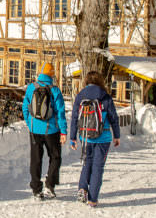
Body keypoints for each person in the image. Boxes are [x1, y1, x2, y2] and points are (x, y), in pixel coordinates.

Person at [68, 71, 120, 207]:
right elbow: (114, 118)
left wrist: (73, 137)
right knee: (98, 167)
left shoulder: (80, 96)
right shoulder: (105, 97)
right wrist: (117, 135)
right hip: (103, 137)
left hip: (86, 137)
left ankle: (82, 188)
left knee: (87, 163)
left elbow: (74, 118)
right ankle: (92, 199)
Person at [23, 63, 67, 199]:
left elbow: (25, 107)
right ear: (52, 75)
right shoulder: (55, 90)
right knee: (55, 157)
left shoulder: (31, 88)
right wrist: (63, 131)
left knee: (36, 159)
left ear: (40, 73)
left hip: (34, 130)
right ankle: (50, 184)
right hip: (51, 130)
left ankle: (36, 189)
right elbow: (60, 113)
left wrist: (29, 124)